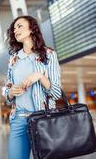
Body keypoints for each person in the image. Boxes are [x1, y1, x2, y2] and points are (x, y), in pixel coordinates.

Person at [4, 15, 62, 159]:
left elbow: (56, 93)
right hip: (18, 120)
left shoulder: (49, 55)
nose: (15, 30)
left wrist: (40, 77)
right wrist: (10, 93)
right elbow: (7, 94)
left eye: (19, 26)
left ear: (31, 29)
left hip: (43, 119)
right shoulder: (13, 60)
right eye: (14, 28)